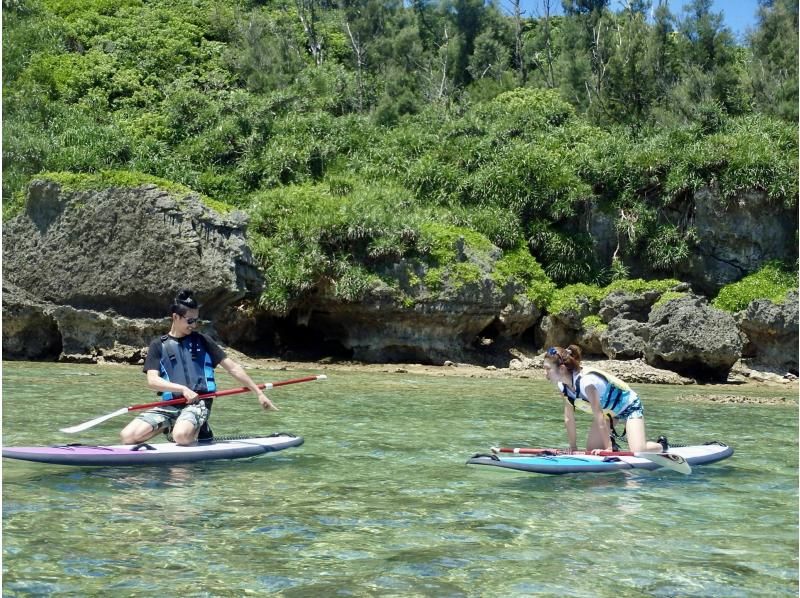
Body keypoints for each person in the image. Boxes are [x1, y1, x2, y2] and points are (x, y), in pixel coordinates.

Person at [120, 289, 277, 446]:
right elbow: (152, 380)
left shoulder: (203, 341)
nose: (194, 325)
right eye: (190, 321)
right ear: (175, 317)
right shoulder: (157, 345)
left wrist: (259, 393)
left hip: (199, 403)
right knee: (128, 436)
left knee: (180, 436)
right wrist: (182, 389)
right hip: (170, 405)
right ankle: (173, 424)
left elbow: (233, 368)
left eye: (196, 320)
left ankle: (198, 427)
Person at [543, 345, 668, 454]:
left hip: (629, 406)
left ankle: (662, 445)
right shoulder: (562, 386)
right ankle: (612, 444)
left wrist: (607, 449)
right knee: (591, 450)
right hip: (609, 413)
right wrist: (573, 447)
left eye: (548, 369)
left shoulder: (587, 383)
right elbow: (568, 418)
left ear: (562, 369)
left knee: (638, 451)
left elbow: (599, 416)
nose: (545, 373)